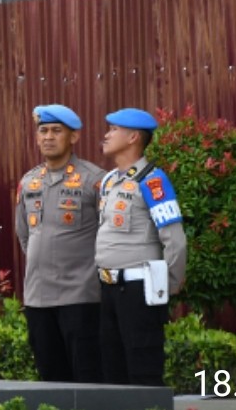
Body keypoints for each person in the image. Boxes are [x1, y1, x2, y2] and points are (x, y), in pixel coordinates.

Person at [96, 108, 187, 386]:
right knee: (112, 368)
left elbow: (174, 238)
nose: (106, 134)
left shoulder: (152, 180)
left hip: (139, 289)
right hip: (108, 287)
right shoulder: (110, 181)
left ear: (133, 136)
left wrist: (168, 285)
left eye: (113, 129)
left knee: (142, 367)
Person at [14, 104, 104, 383]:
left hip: (80, 297)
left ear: (73, 137)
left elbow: (109, 234)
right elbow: (24, 235)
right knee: (50, 377)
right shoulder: (29, 181)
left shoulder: (94, 180)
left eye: (56, 131)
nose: (48, 137)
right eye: (43, 131)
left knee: (87, 378)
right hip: (38, 297)